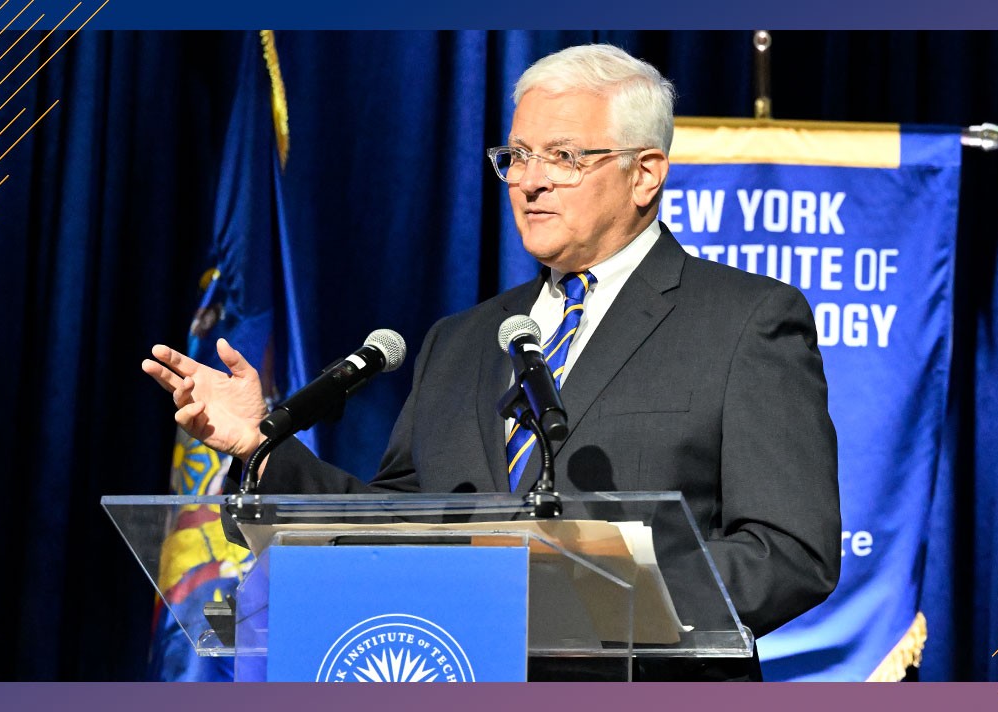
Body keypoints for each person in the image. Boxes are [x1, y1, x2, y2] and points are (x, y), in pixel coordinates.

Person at [143, 43, 840, 681]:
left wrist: (591, 597)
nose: (529, 182)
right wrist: (261, 446)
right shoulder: (464, 339)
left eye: (563, 158)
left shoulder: (744, 321)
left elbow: (788, 552)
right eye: (517, 156)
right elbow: (396, 526)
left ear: (645, 175)